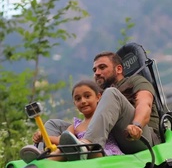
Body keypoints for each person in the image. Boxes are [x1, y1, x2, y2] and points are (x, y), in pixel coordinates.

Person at [21, 51, 159, 161]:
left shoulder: (135, 81)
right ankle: (44, 154)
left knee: (112, 93)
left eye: (102, 67)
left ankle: (87, 145)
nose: (97, 72)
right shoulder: (102, 95)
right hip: (112, 135)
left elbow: (144, 103)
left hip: (140, 137)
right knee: (53, 124)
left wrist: (137, 125)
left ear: (118, 69)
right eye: (94, 70)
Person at [20, 79, 123, 163]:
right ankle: (43, 158)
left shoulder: (103, 117)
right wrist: (43, 136)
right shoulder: (76, 125)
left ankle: (43, 161)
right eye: (78, 99)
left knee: (89, 150)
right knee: (65, 148)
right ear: (75, 103)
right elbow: (62, 139)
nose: (83, 101)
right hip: (80, 153)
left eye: (87, 96)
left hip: (101, 152)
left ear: (98, 97)